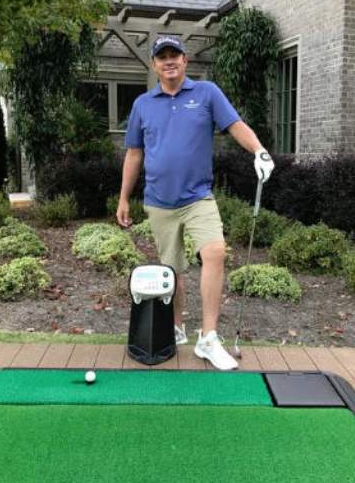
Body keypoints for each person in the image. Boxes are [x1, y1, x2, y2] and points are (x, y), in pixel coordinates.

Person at [116, 35, 274, 370]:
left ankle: (208, 338)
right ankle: (175, 329)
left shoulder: (206, 93)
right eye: (162, 57)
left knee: (214, 251)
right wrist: (124, 197)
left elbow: (236, 125)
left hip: (198, 196)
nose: (169, 61)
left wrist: (259, 150)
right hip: (159, 201)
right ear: (154, 65)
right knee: (172, 269)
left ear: (185, 60)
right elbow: (134, 154)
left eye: (174, 55)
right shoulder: (143, 104)